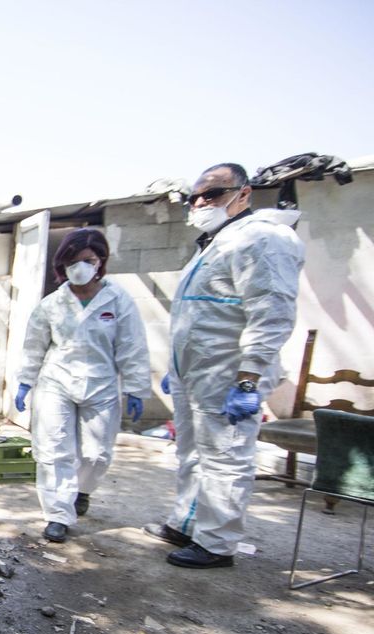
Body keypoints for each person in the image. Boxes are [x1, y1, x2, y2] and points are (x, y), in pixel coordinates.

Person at [146, 163, 303, 568]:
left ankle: (217, 544)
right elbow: (199, 316)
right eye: (195, 196)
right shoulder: (214, 244)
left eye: (213, 194)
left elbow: (272, 312)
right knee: (191, 452)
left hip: (228, 375)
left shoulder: (264, 238)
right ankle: (186, 523)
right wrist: (177, 369)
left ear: (243, 194)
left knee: (225, 457)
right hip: (196, 373)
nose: (200, 202)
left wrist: (249, 379)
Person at [15, 228, 150, 543]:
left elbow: (132, 346)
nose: (80, 268)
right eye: (73, 262)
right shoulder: (52, 304)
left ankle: (82, 490)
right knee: (54, 450)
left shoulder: (118, 300)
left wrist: (136, 387)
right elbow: (34, 346)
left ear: (100, 261)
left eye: (87, 260)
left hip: (101, 384)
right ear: (63, 265)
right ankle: (58, 515)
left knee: (97, 453)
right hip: (56, 382)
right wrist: (25, 381)